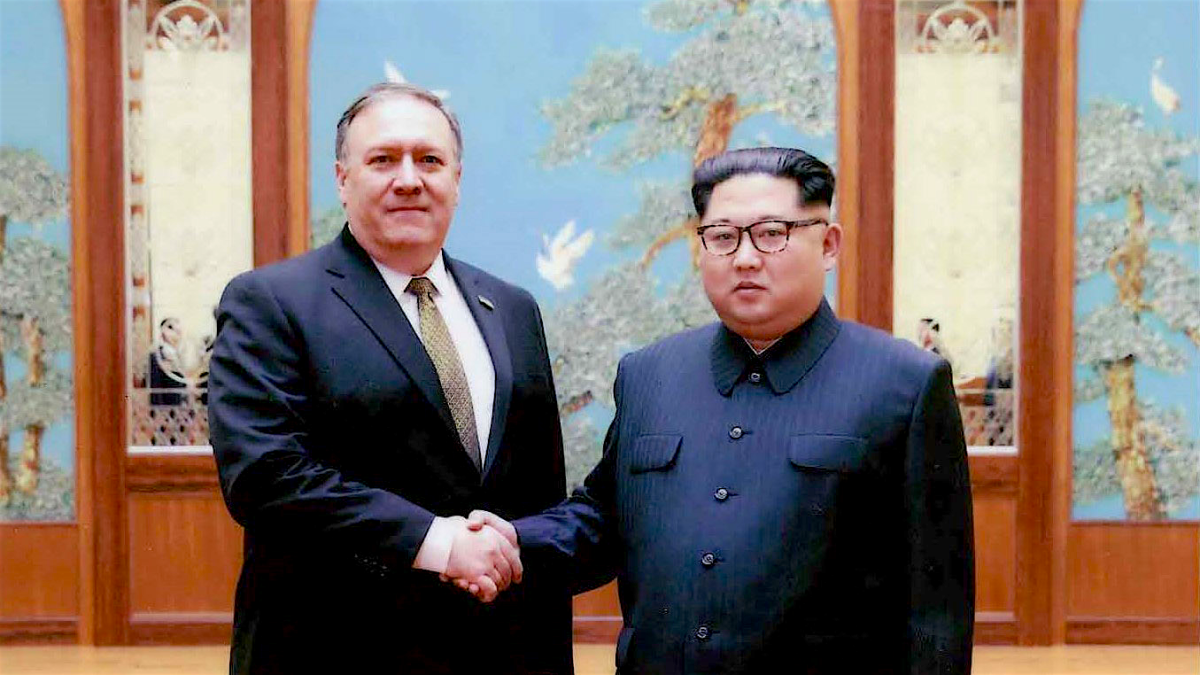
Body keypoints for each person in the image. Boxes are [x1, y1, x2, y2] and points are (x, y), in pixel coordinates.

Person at [466, 147, 975, 674]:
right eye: (723, 237)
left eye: (772, 233)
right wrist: (513, 542)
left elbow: (938, 608)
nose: (745, 258)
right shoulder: (649, 374)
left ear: (828, 244)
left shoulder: (905, 384)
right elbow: (603, 521)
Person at [208, 82, 573, 675]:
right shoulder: (271, 302)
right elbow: (264, 476)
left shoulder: (511, 308)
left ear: (457, 179)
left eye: (429, 160)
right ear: (342, 179)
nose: (409, 179)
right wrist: (439, 543)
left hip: (499, 651)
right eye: (383, 159)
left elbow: (540, 492)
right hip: (335, 649)